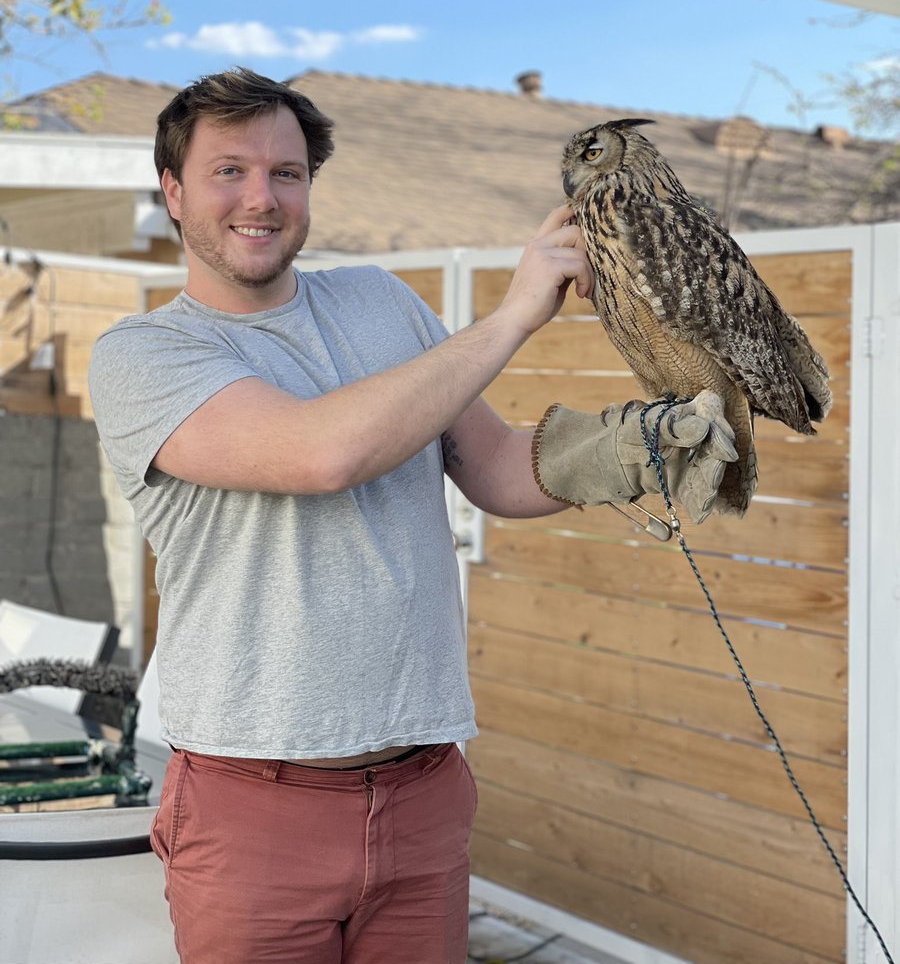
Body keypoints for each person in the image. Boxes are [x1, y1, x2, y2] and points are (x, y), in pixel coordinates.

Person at [89, 67, 735, 964]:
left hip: (424, 790)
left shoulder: (382, 302)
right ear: (172, 191)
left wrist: (638, 444)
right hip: (253, 806)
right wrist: (512, 318)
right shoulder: (146, 354)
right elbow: (320, 454)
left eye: (286, 173)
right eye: (228, 171)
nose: (262, 198)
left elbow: (496, 466)